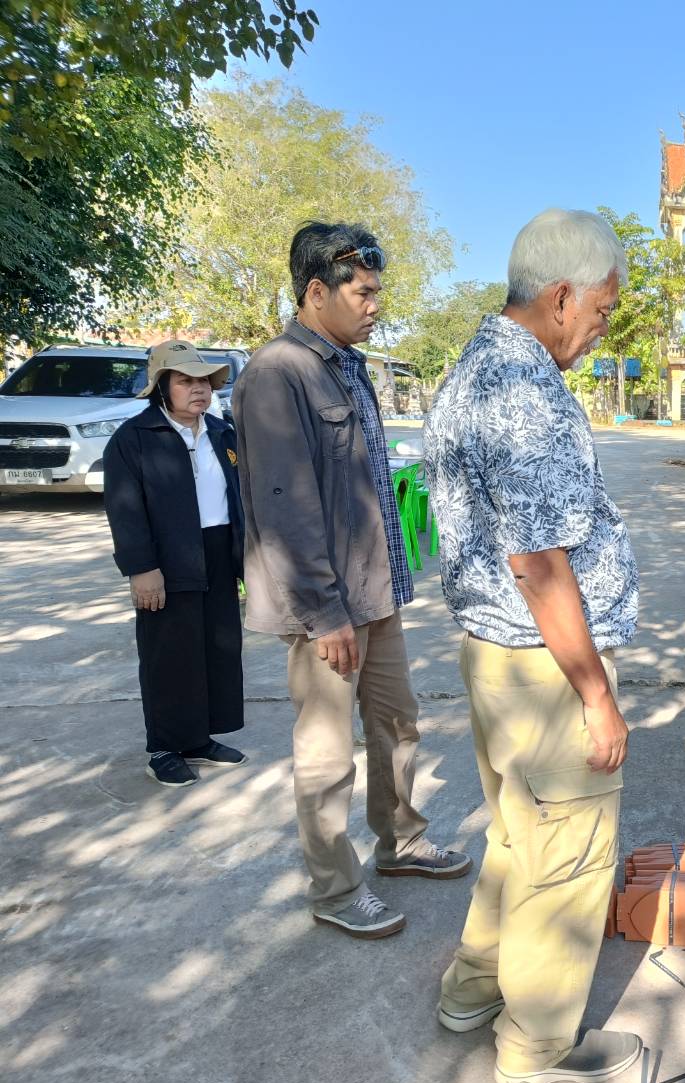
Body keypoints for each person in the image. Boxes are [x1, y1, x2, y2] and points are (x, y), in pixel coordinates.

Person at [422, 208, 643, 1083]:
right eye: (598, 312)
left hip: (493, 655)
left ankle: (472, 991)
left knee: (518, 838)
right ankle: (537, 1046)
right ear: (560, 297)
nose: (599, 331)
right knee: (567, 862)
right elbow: (541, 565)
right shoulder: (524, 393)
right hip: (546, 664)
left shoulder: (469, 370)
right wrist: (595, 693)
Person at [233, 221, 469, 941]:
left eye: (376, 293)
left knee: (397, 724)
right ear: (315, 292)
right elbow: (285, 509)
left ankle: (400, 843)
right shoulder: (278, 373)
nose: (375, 306)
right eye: (363, 293)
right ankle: (336, 886)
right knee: (328, 753)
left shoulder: (348, 366)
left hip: (375, 594)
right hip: (326, 610)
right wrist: (324, 614)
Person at [103, 340, 247, 787]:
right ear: (161, 387)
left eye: (203, 381)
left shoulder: (222, 433)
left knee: (216, 648)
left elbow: (239, 500)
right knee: (169, 654)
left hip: (219, 552)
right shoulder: (134, 439)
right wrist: (141, 568)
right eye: (186, 380)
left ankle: (197, 739)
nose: (199, 389)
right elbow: (124, 509)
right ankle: (165, 746)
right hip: (166, 558)